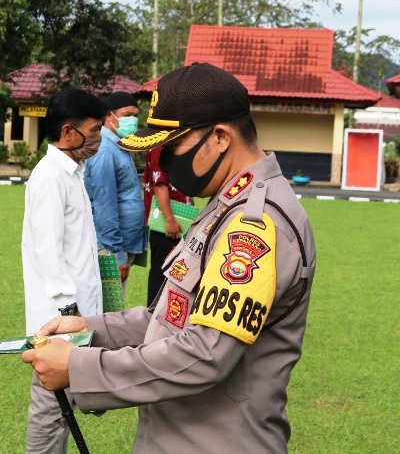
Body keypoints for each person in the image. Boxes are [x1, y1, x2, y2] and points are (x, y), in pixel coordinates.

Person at [22, 63, 316, 454]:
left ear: (221, 137)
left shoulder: (255, 224)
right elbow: (170, 317)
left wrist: (79, 368)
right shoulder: (225, 205)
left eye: (171, 148)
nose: (161, 163)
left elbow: (205, 353)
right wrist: (89, 328)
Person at [21, 87, 106, 454]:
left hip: (77, 315)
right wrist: (68, 311)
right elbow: (48, 251)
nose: (101, 138)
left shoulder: (73, 173)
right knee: (50, 409)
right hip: (60, 319)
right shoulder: (49, 178)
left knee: (64, 406)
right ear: (69, 132)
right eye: (96, 129)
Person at [84, 91, 147, 296]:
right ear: (110, 116)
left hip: (121, 244)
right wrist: (116, 254)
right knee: (108, 312)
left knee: (113, 306)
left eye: (136, 115)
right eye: (128, 114)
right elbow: (104, 205)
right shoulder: (105, 151)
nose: (133, 120)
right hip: (110, 248)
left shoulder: (119, 147)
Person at [142, 145, 193, 305]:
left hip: (178, 221)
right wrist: (170, 220)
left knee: (175, 272)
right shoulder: (161, 148)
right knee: (161, 275)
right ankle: (152, 316)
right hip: (167, 226)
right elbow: (160, 185)